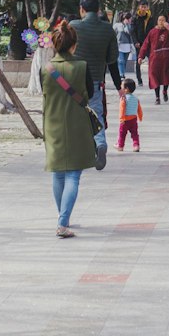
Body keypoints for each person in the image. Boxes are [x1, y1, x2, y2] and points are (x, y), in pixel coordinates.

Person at [41, 17, 97, 236]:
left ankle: (63, 217)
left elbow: (43, 91)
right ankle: (63, 222)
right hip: (78, 125)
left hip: (53, 124)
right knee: (73, 175)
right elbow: (90, 94)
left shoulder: (46, 69)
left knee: (58, 174)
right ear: (74, 44)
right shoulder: (82, 67)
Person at [70, 0, 121, 169]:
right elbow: (113, 58)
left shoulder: (73, 26)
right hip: (96, 80)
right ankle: (100, 143)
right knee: (95, 114)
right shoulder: (108, 29)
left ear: (81, 9)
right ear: (99, 10)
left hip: (74, 80)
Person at [139, 13, 169, 103]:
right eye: (160, 20)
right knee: (155, 77)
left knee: (166, 76)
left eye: (163, 20)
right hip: (155, 58)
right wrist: (141, 56)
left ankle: (165, 91)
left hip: (167, 58)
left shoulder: (168, 31)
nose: (161, 22)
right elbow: (145, 44)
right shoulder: (152, 32)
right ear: (157, 21)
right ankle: (157, 97)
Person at [116, 77, 142, 153]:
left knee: (122, 133)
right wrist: (140, 117)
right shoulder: (136, 99)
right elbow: (139, 109)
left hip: (125, 119)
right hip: (134, 119)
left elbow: (122, 109)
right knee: (134, 134)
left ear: (126, 89)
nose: (121, 88)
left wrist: (121, 119)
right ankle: (136, 145)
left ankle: (120, 146)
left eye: (122, 87)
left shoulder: (123, 98)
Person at [114, 12, 135, 82]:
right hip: (119, 46)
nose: (129, 20)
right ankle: (121, 74)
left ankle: (122, 73)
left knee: (125, 61)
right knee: (120, 61)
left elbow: (130, 33)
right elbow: (114, 33)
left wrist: (127, 25)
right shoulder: (117, 25)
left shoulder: (130, 26)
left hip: (127, 46)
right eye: (128, 19)